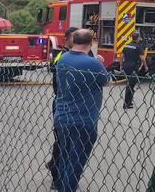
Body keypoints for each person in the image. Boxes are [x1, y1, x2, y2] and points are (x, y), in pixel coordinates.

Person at [54, 29, 109, 192]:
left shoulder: (62, 59)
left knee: (65, 157)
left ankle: (61, 187)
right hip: (83, 120)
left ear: (73, 40)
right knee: (76, 163)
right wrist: (99, 62)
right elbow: (106, 81)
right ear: (91, 43)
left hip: (62, 117)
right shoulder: (93, 63)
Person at [47, 26, 79, 188]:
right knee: (62, 140)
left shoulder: (84, 53)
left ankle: (57, 166)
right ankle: (56, 176)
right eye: (75, 37)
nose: (78, 40)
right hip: (63, 103)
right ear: (67, 38)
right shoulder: (61, 55)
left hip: (82, 105)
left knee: (75, 142)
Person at [122, 32, 146, 109]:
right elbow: (142, 58)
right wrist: (145, 66)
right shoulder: (138, 46)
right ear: (138, 38)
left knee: (129, 83)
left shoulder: (127, 45)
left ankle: (129, 102)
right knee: (131, 85)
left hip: (126, 66)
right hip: (133, 67)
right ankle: (127, 103)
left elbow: (122, 56)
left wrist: (121, 65)